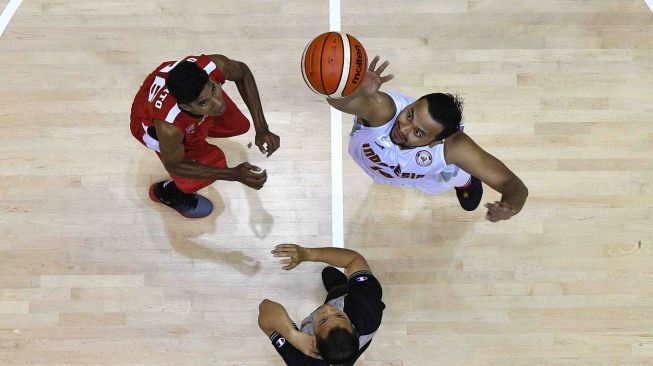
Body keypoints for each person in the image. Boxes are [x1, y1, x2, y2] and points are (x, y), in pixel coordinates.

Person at [327, 56, 528, 222]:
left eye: (419, 133)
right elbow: (334, 100)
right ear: (413, 103)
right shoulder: (383, 110)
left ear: (435, 142)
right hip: (389, 170)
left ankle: (465, 178)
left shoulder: (454, 147)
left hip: (425, 176)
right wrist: (356, 92)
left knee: (446, 180)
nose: (404, 128)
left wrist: (510, 207)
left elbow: (513, 184)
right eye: (410, 114)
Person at [130, 54, 280, 218]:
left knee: (239, 125)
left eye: (214, 89)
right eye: (204, 102)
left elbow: (242, 72)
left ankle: (200, 123)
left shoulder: (212, 65)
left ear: (210, 79)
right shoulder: (169, 128)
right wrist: (233, 174)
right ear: (186, 106)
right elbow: (175, 166)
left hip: (179, 96)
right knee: (211, 165)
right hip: (151, 125)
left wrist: (262, 127)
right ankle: (166, 192)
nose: (218, 103)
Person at [258, 244, 384, 365]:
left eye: (323, 320)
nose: (328, 309)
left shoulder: (302, 361)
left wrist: (293, 336)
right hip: (350, 299)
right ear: (352, 326)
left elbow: (265, 308)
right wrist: (307, 254)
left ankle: (336, 290)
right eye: (340, 316)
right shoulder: (367, 308)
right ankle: (339, 287)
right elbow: (354, 259)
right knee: (340, 289)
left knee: (333, 289)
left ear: (314, 341)